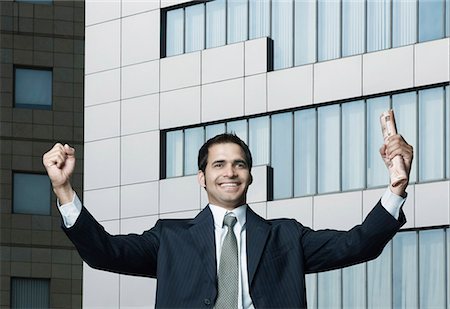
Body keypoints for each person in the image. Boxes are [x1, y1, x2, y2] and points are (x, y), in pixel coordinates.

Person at [43, 133, 413, 308]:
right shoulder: (169, 238)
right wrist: (64, 191)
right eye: (218, 164)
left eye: (239, 164)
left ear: (250, 176)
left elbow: (358, 243)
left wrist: (396, 187)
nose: (230, 172)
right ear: (202, 178)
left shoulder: (286, 236)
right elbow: (105, 252)